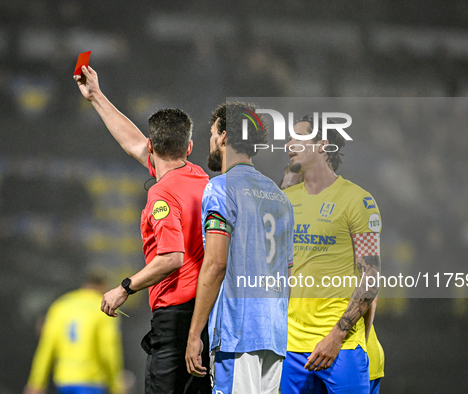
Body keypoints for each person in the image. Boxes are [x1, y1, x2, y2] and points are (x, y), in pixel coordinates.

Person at [74, 66, 211, 394]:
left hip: (176, 318)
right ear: (188, 147)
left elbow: (172, 257)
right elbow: (132, 142)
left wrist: (124, 288)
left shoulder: (162, 193)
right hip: (207, 319)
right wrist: (96, 96)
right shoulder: (201, 180)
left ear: (153, 145)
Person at [185, 102, 294, 393]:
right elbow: (288, 271)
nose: (211, 141)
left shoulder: (220, 188)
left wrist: (195, 334)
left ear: (223, 137)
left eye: (211, 134)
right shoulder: (280, 196)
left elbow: (216, 264)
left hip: (237, 334)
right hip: (273, 336)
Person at [280, 114, 382, 393]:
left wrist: (336, 336)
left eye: (297, 138)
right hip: (290, 347)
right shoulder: (287, 200)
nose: (288, 144)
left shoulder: (357, 200)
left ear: (322, 145)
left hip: (341, 347)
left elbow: (371, 278)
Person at [23, 273, 124, 394]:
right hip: (91, 379)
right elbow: (109, 348)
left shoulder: (61, 305)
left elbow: (47, 346)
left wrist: (36, 382)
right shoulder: (104, 307)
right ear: (103, 287)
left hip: (64, 379)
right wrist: (116, 385)